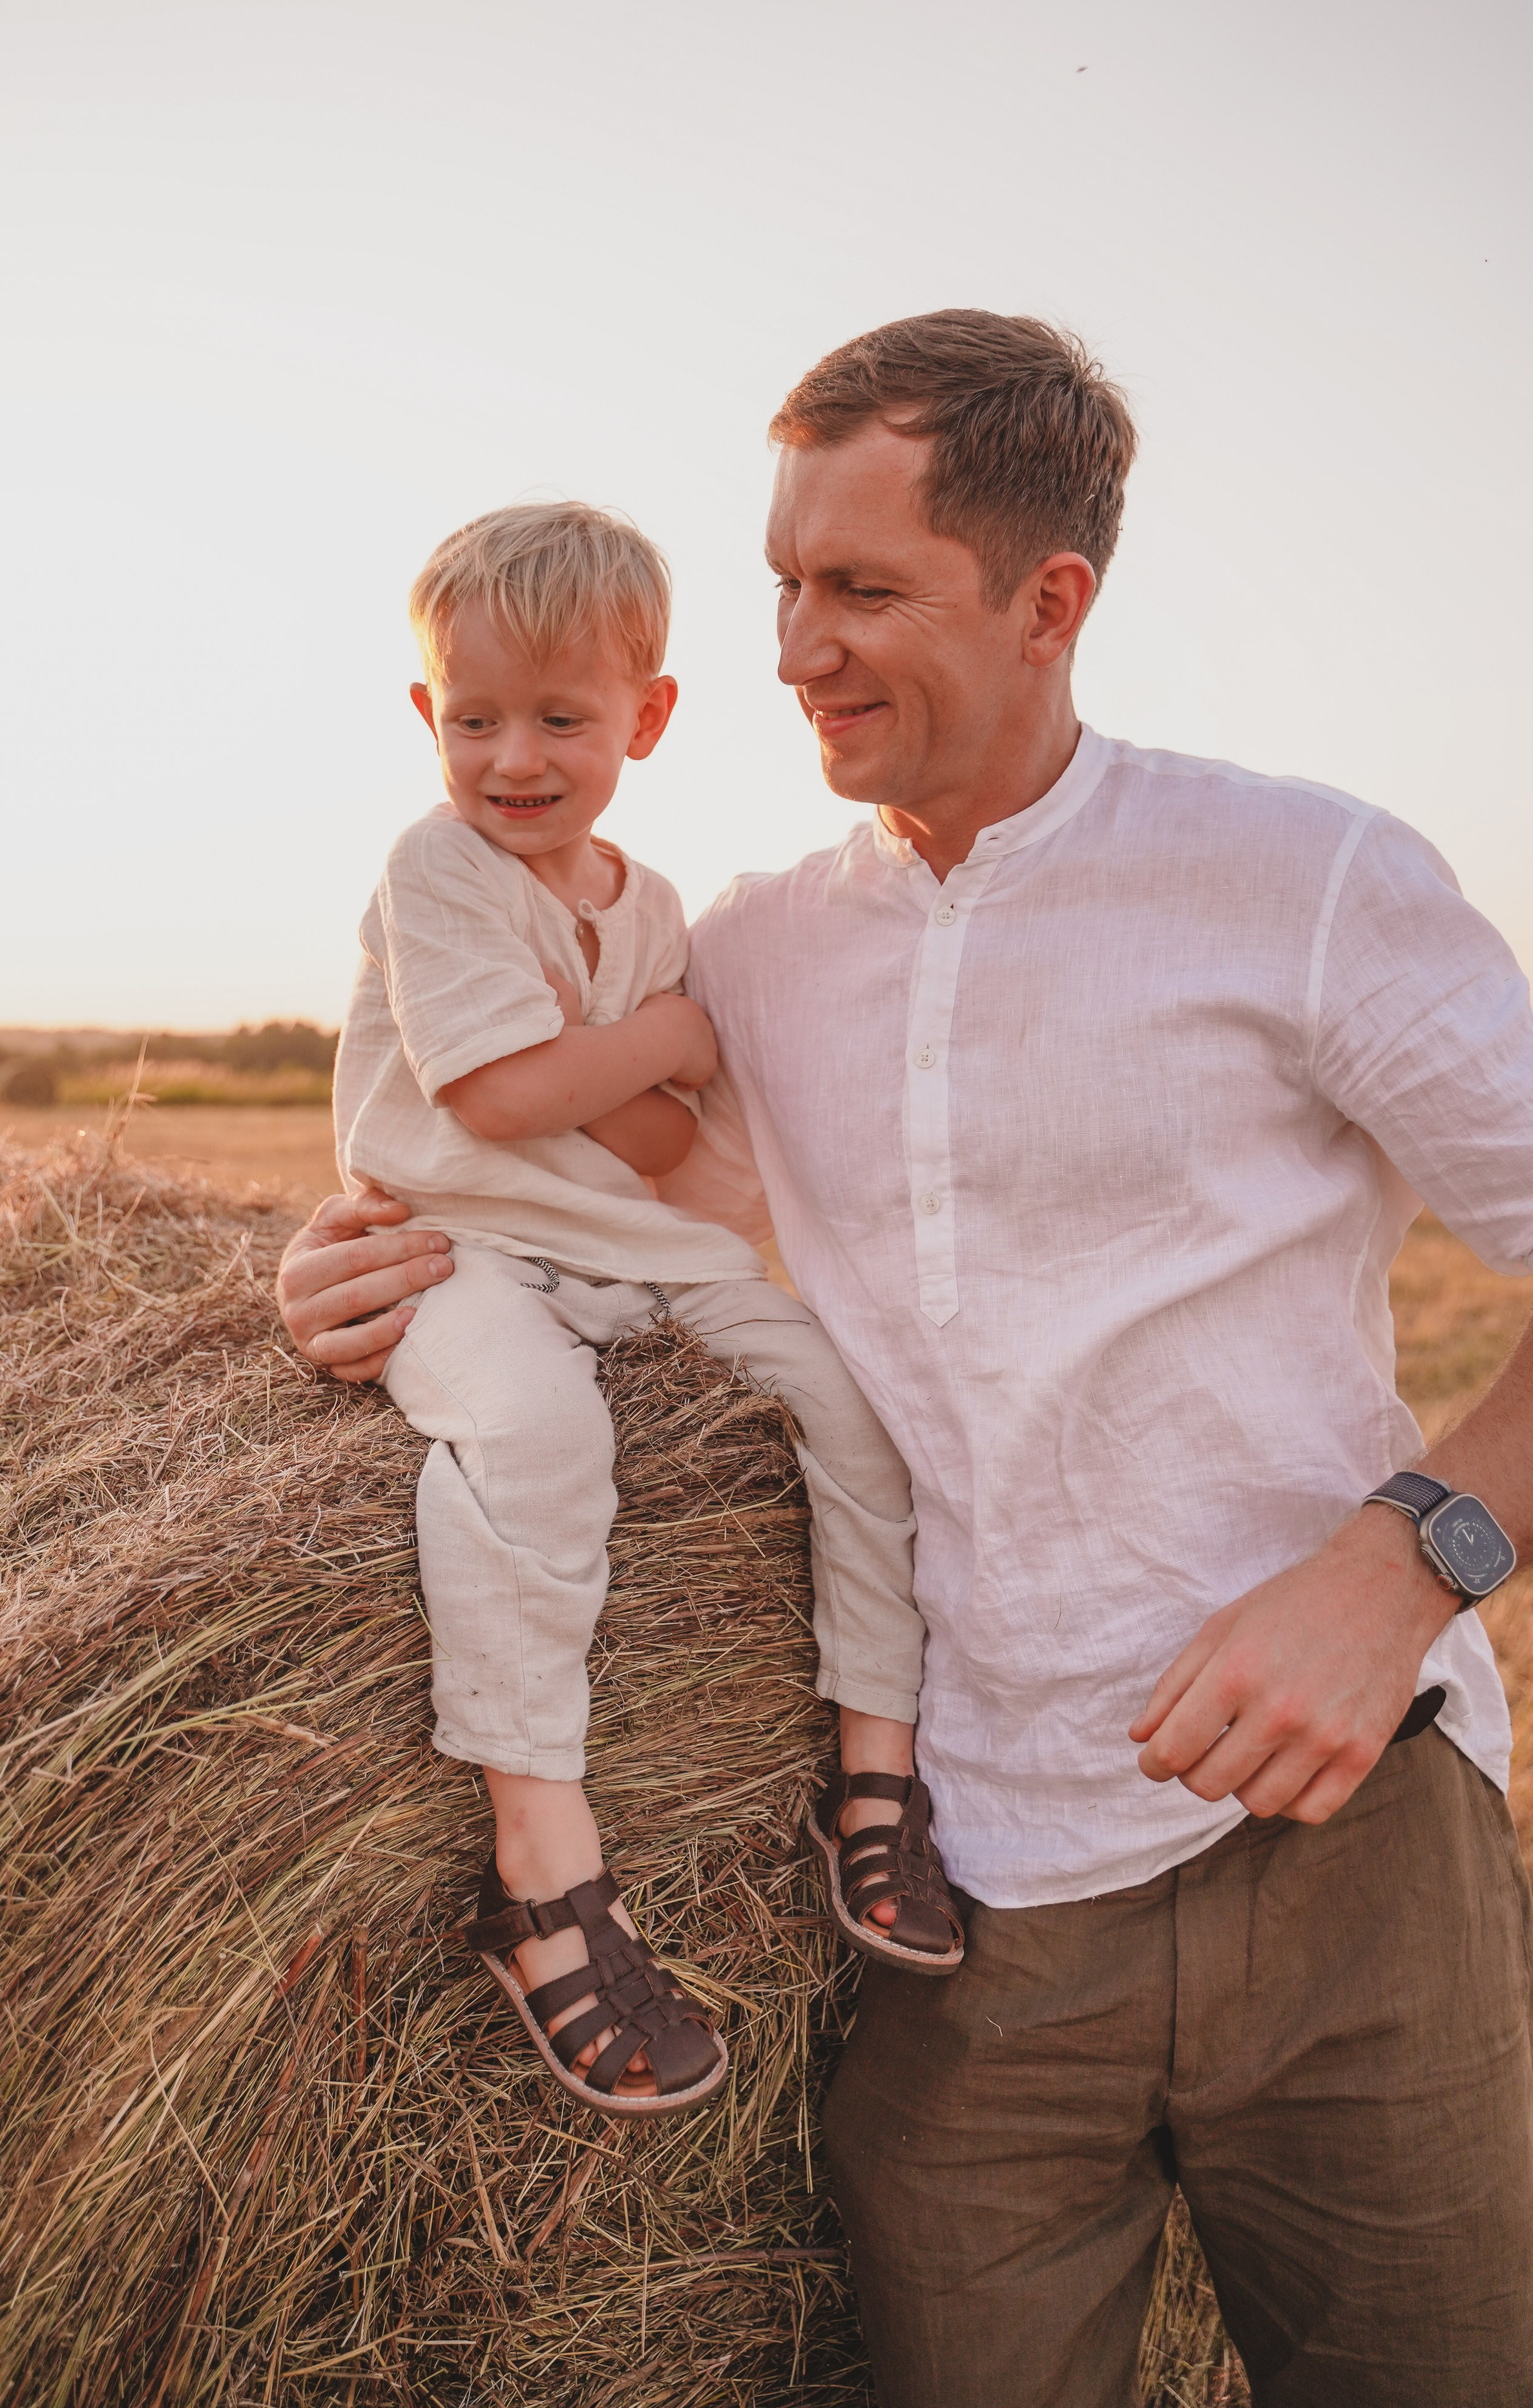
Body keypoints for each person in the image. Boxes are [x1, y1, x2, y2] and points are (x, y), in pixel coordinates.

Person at [278, 313, 1533, 2402]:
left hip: (1351, 1867)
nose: (795, 648)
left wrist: (1410, 1558)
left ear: (1051, 603)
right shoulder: (751, 950)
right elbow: (595, 1167)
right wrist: (343, 1264)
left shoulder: (1308, 881)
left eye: (859, 588)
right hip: (962, 1908)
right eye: (783, 582)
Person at [329, 500, 962, 2122]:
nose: (512, 759)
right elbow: (493, 1097)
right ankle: (539, 1868)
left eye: (560, 720)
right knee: (538, 1442)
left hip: (630, 1245)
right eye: (474, 720)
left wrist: (605, 1063)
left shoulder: (654, 905)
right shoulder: (437, 868)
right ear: (427, 715)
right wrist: (658, 1041)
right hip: (458, 1247)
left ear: (647, 718)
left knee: (850, 1403)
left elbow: (659, 1146)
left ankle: (870, 1773)